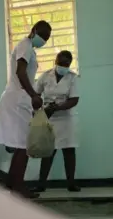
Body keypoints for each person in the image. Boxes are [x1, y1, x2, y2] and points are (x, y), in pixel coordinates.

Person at [0, 20, 52, 199]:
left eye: (47, 38)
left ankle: (12, 183)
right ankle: (18, 187)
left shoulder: (28, 47)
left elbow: (24, 74)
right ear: (34, 30)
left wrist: (33, 95)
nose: (43, 39)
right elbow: (21, 72)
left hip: (19, 99)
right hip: (18, 99)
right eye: (42, 35)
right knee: (22, 146)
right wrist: (33, 95)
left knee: (21, 146)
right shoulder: (25, 45)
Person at [32, 50, 80, 193]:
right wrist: (40, 109)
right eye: (60, 63)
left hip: (66, 118)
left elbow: (74, 100)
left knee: (69, 150)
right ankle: (41, 184)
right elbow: (35, 93)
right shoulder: (46, 76)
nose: (62, 66)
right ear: (55, 62)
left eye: (66, 64)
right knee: (48, 151)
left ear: (69, 64)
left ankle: (71, 183)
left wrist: (58, 107)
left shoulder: (72, 77)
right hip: (49, 117)